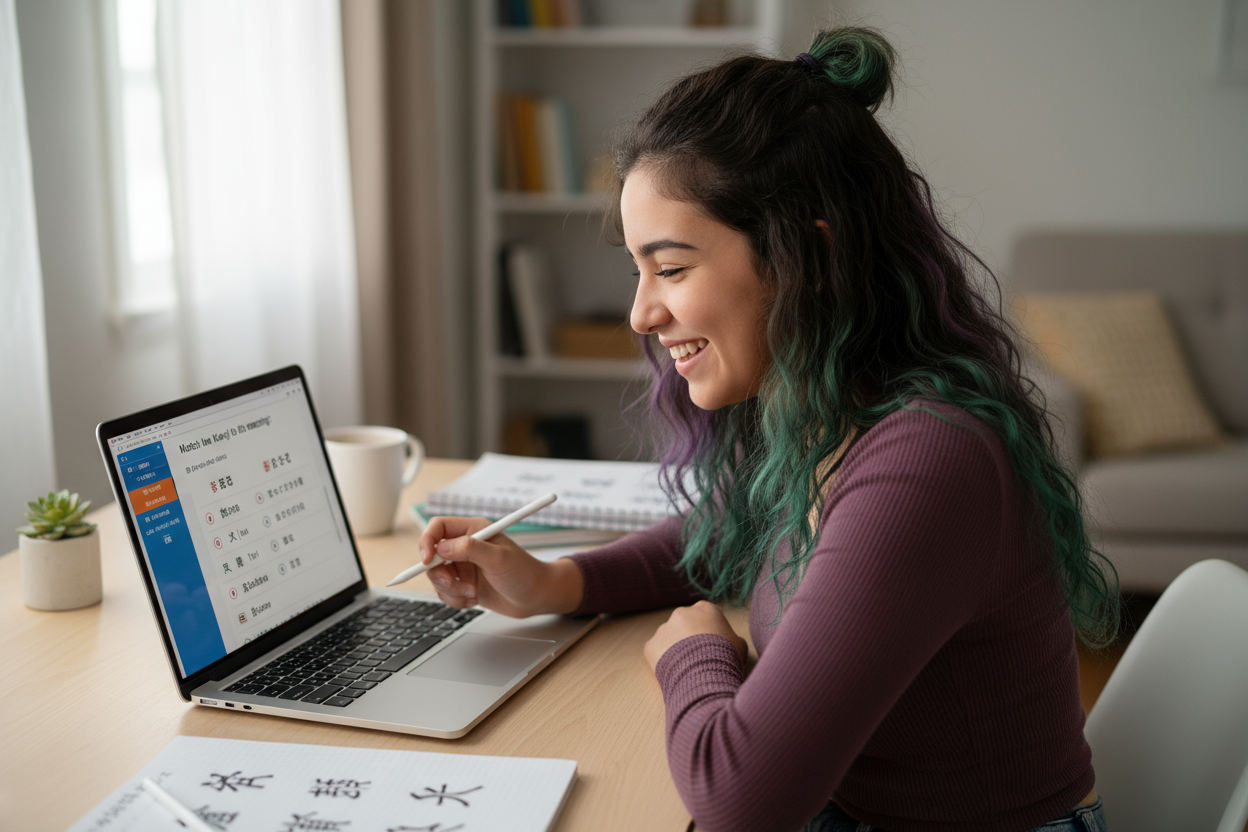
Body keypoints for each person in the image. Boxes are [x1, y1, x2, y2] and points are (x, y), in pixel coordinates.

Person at [418, 27, 1117, 832]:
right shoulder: (832, 407)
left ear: (805, 257)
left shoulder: (929, 460)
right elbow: (727, 527)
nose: (642, 314)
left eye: (672, 268)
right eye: (638, 270)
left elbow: (739, 799)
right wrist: (557, 583)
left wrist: (694, 656)